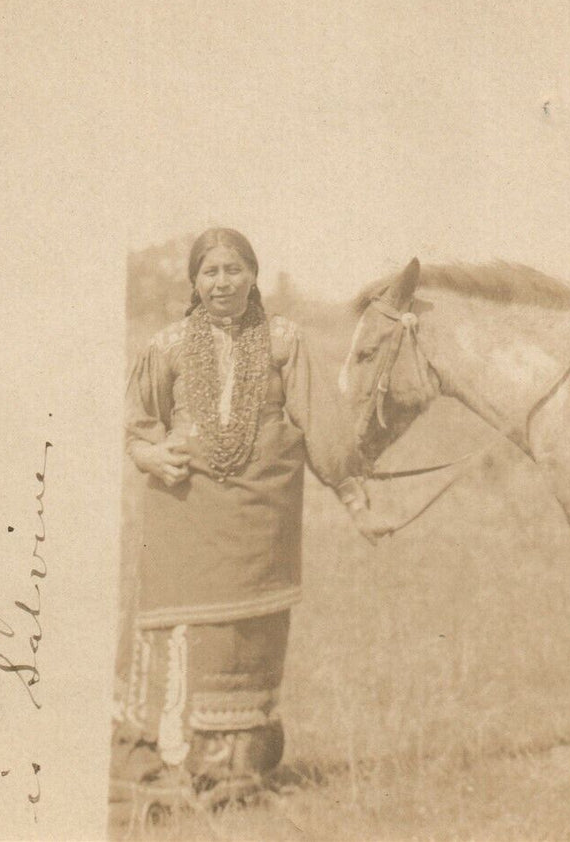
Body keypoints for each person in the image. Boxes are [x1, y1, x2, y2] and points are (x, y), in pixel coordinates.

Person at [119, 227, 386, 807]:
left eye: (234, 270)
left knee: (246, 643)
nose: (223, 282)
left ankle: (237, 773)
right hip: (184, 521)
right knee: (185, 638)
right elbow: (138, 422)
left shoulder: (285, 341)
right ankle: (170, 770)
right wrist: (150, 453)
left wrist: (356, 503)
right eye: (211, 272)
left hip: (261, 527)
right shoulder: (165, 346)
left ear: (253, 276)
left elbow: (323, 430)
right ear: (194, 282)